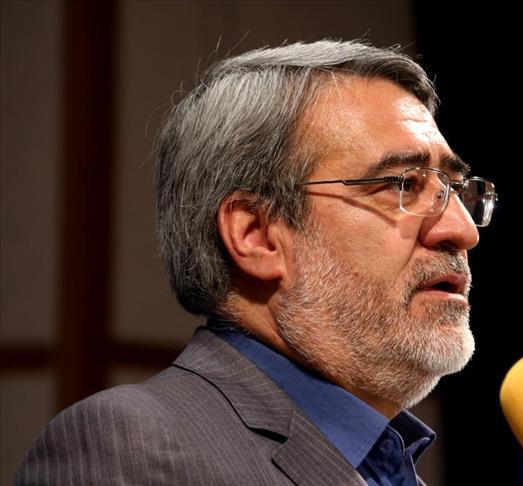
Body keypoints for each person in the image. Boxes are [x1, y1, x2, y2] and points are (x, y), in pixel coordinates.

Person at [15, 40, 497, 485]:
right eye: (402, 184)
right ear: (256, 235)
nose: (462, 230)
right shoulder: (133, 444)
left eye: (455, 189)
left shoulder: (383, 462)